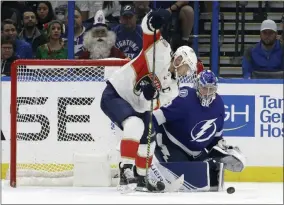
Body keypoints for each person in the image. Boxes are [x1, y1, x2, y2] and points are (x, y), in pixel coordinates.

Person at [100, 9, 198, 192]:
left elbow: (149, 106)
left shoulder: (174, 89)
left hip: (137, 105)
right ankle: (126, 170)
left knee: (150, 139)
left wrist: (149, 95)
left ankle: (141, 176)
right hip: (116, 93)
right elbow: (148, 28)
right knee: (135, 124)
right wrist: (154, 18)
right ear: (179, 59)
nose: (185, 73)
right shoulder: (161, 50)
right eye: (187, 68)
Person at [152, 70, 246, 191]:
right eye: (204, 88)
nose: (207, 93)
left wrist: (220, 146)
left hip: (197, 151)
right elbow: (155, 117)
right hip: (173, 144)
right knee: (182, 178)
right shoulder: (184, 98)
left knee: (213, 177)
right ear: (197, 86)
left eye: (211, 89)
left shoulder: (219, 105)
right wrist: (158, 139)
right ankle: (141, 171)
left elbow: (216, 137)